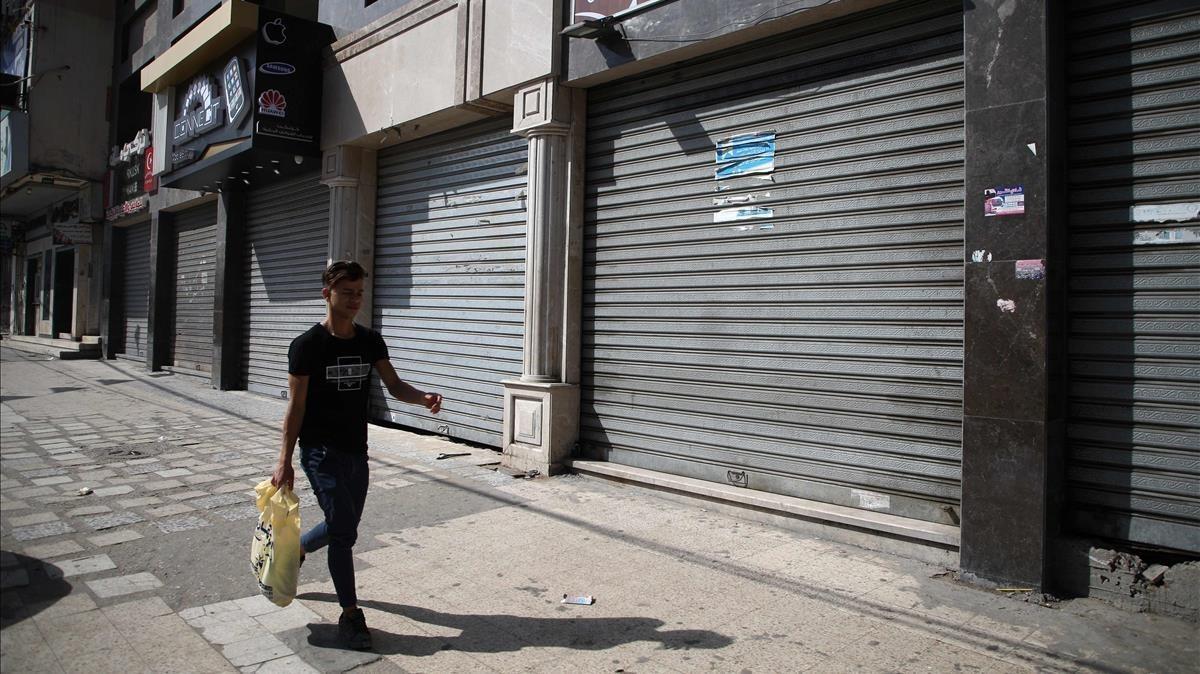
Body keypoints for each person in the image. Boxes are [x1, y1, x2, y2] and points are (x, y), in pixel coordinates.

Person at [271, 260, 442, 650]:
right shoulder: (306, 346)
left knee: (342, 526)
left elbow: (395, 385)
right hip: (319, 450)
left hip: (356, 449)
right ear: (326, 293)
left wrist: (423, 398)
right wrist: (284, 459)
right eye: (347, 292)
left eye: (359, 292)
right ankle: (350, 615)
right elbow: (295, 408)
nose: (355, 300)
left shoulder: (369, 340)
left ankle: (297, 548)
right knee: (344, 532)